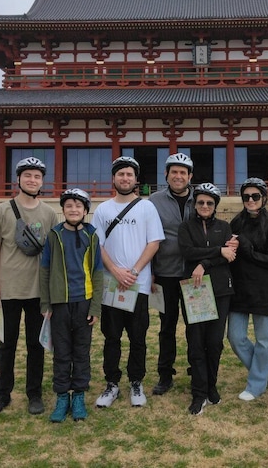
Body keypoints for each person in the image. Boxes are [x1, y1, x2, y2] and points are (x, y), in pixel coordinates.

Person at [0, 157, 57, 417]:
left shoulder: (49, 213)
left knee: (36, 345)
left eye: (37, 176)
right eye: (28, 175)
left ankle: (34, 393)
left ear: (42, 181)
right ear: (18, 179)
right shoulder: (2, 210)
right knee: (7, 344)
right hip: (9, 288)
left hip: (37, 289)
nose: (32, 180)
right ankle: (2, 394)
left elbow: (53, 253)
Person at [92, 156, 164, 408]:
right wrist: (115, 270)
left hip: (139, 284)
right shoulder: (102, 209)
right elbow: (97, 245)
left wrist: (133, 271)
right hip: (112, 284)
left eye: (129, 175)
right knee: (111, 337)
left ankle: (136, 381)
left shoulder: (147, 208)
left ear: (136, 180)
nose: (125, 178)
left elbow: (153, 242)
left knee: (138, 337)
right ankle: (111, 383)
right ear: (113, 178)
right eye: (120, 174)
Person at [39, 188, 104, 422]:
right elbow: (44, 270)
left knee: (81, 351)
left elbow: (98, 272)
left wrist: (96, 306)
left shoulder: (92, 235)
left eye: (78, 206)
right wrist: (45, 303)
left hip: (84, 302)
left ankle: (78, 395)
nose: (74, 210)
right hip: (59, 304)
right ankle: (61, 397)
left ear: (85, 210)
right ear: (63, 209)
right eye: (69, 206)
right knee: (62, 352)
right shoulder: (54, 235)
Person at [177, 183, 237, 415]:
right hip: (194, 290)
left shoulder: (224, 227)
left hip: (221, 290)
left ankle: (211, 385)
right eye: (200, 202)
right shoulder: (185, 227)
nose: (204, 206)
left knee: (214, 343)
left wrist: (205, 263)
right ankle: (198, 392)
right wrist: (217, 251)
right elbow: (187, 251)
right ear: (195, 204)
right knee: (196, 342)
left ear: (215, 206)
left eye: (209, 203)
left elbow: (229, 256)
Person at [228, 177, 268, 401]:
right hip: (239, 288)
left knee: (262, 339)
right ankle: (264, 366)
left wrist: (247, 249)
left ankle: (256, 384)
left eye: (255, 196)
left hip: (263, 288)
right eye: (246, 197)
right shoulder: (235, 223)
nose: (250, 200)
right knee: (235, 337)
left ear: (263, 198)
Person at [148, 153, 195, 396]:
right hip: (164, 274)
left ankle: (196, 370)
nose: (178, 176)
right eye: (174, 172)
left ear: (190, 177)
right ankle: (165, 374)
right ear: (166, 174)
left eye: (183, 172)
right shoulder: (153, 201)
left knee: (195, 325)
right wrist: (150, 271)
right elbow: (148, 236)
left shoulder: (202, 199)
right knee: (166, 326)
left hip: (193, 275)